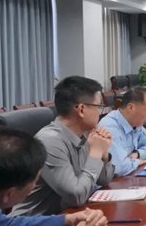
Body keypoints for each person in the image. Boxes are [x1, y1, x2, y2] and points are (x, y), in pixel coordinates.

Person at [11, 76, 115, 217]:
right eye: (98, 107)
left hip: (67, 216)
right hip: (34, 223)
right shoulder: (49, 141)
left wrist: (104, 153)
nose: (100, 112)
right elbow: (76, 196)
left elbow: (104, 180)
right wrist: (95, 153)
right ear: (81, 109)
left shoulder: (84, 134)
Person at [98, 86, 146, 176]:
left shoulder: (136, 124)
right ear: (131, 107)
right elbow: (118, 167)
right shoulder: (109, 127)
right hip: (112, 181)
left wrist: (137, 154)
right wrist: (137, 162)